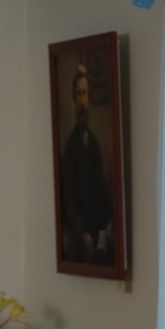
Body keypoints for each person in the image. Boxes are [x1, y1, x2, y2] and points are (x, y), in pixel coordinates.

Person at [59, 66, 113, 264]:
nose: (83, 100)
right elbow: (68, 201)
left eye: (85, 93)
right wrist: (82, 233)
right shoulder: (71, 146)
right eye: (79, 94)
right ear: (74, 99)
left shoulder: (94, 142)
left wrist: (103, 230)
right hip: (80, 234)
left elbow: (101, 190)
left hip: (96, 229)